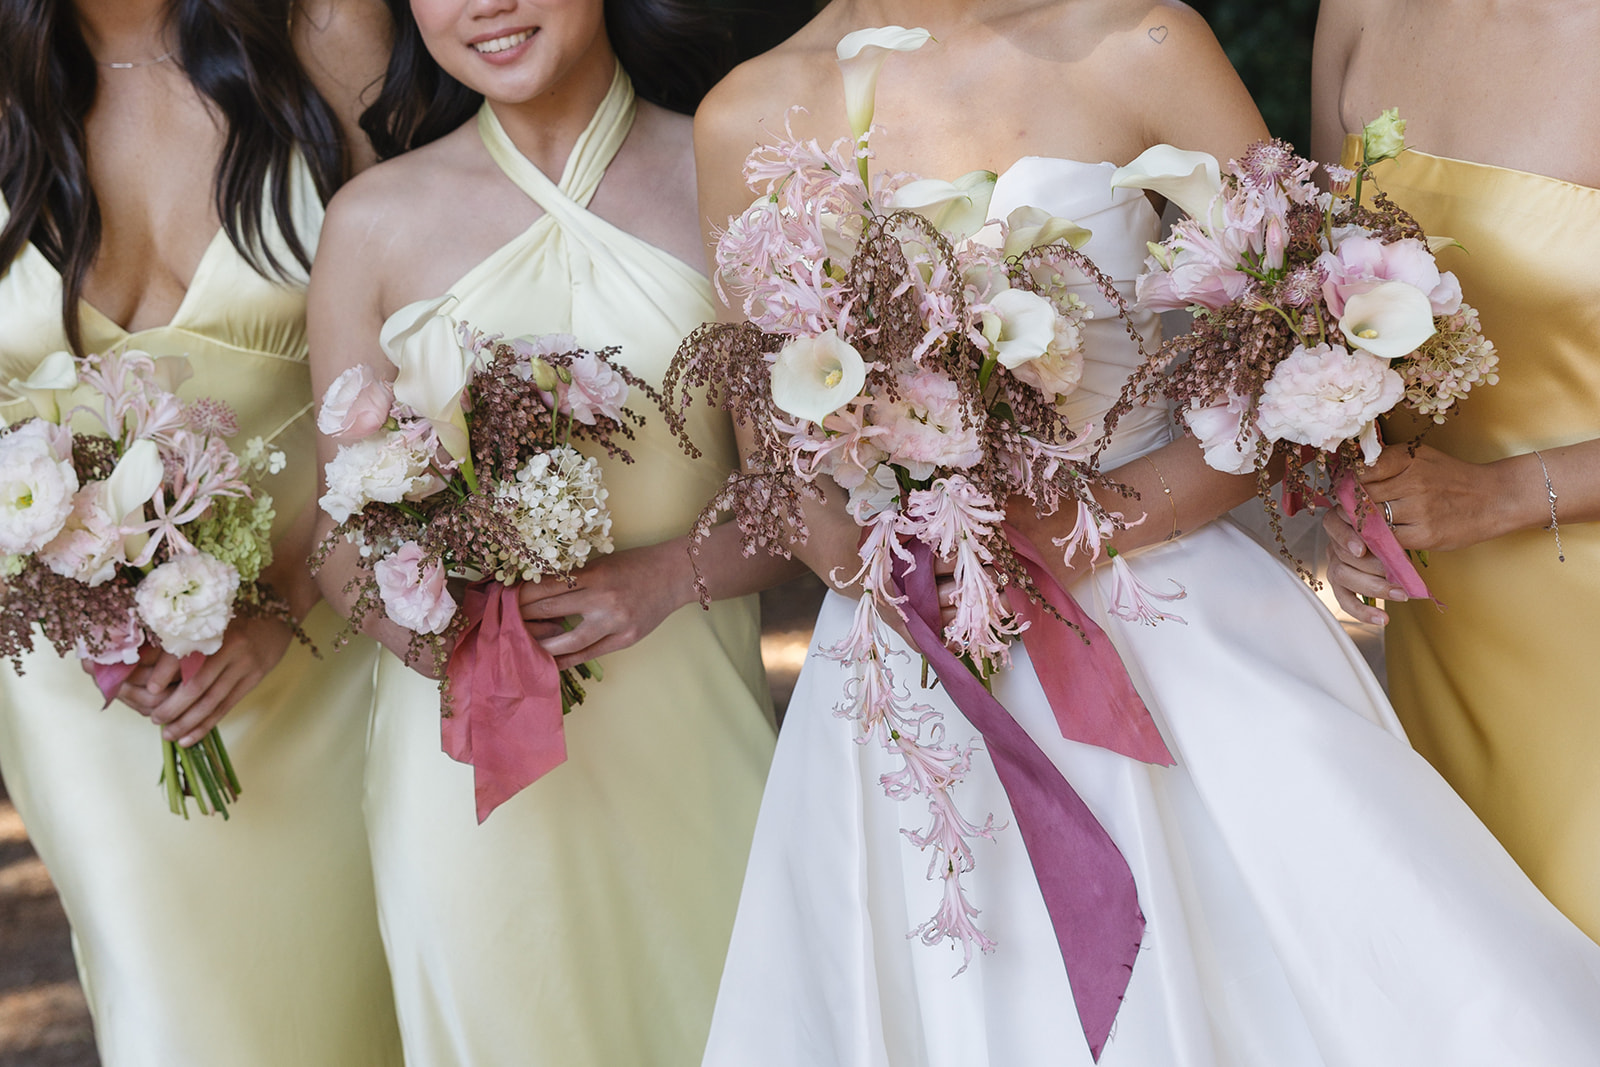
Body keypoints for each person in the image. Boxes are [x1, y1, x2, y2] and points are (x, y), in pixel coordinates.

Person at [693, 3, 1600, 1064]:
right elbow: (772, 462)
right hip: (909, 668)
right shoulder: (737, 116)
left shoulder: (1142, 40)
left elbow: (1291, 357)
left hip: (1171, 621)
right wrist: (889, 560)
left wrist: (1072, 531)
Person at [307, 1, 799, 1062]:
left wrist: (667, 574)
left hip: (691, 740)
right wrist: (450, 638)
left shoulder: (724, 173)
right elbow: (337, 534)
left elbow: (798, 498)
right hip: (465, 783)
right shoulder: (371, 220)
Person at [0, 0, 403, 1063]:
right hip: (89, 690)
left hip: (332, 634)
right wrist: (73, 591)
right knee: (180, 1021)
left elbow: (423, 325)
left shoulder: (325, 31)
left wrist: (287, 597)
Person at [1312, 0, 1600, 942]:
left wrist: (1503, 493)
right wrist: (1344, 495)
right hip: (1447, 624)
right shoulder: (1361, 13)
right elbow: (1323, 307)